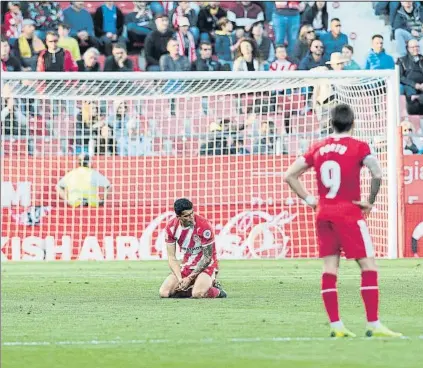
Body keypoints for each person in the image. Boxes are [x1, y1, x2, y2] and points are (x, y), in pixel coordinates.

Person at [284, 103, 402, 338]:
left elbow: (289, 175)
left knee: (330, 268)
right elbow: (377, 173)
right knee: (368, 267)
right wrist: (369, 200)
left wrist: (310, 199)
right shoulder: (359, 146)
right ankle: (373, 323)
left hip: (323, 213)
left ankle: (336, 326)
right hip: (348, 213)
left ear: (331, 123)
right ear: (354, 123)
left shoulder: (318, 147)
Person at [159, 198, 227, 299]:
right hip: (187, 266)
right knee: (164, 293)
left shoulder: (204, 225)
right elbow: (171, 257)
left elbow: (207, 258)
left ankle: (217, 291)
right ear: (178, 217)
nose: (191, 217)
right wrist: (180, 279)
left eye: (192, 213)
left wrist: (189, 278)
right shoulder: (171, 228)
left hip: (206, 266)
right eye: (186, 216)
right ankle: (195, 286)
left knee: (198, 294)